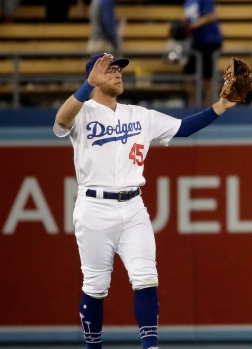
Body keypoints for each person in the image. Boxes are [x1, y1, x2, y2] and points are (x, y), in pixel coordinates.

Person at [53, 53, 237, 349]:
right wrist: (86, 86)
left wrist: (220, 107)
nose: (118, 74)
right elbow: (61, 120)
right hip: (94, 207)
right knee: (95, 287)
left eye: (118, 69)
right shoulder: (82, 111)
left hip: (133, 205)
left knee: (146, 278)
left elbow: (183, 128)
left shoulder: (139, 115)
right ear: (93, 77)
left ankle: (150, 346)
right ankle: (93, 347)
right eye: (110, 70)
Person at [184, 0, 223, 106]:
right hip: (196, 42)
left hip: (209, 40)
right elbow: (190, 20)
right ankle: (192, 107)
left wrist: (191, 26)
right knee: (189, 75)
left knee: (208, 76)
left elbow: (209, 17)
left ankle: (210, 107)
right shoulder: (187, 2)